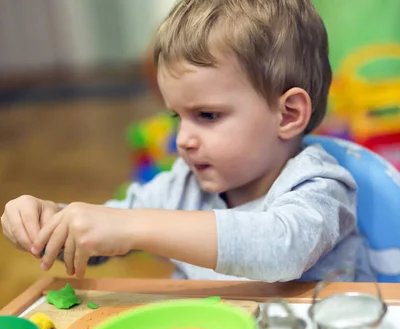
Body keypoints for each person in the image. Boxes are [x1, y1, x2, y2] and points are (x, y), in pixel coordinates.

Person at [1, 0, 372, 282]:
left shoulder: (320, 186)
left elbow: (281, 248)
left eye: (207, 116)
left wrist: (133, 227)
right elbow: (101, 234)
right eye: (177, 116)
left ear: (288, 114)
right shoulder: (182, 187)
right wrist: (52, 222)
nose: (182, 140)